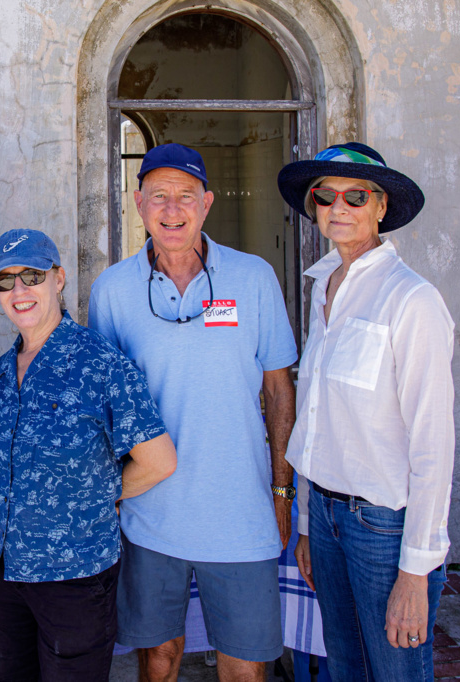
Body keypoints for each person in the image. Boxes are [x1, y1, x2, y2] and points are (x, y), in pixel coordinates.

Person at [88, 143, 299, 682]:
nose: (172, 209)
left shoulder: (254, 278)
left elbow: (279, 393)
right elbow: (104, 410)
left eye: (185, 196)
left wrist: (281, 491)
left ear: (207, 203)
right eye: (159, 196)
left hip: (242, 513)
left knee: (247, 666)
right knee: (158, 659)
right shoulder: (112, 290)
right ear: (138, 204)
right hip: (149, 516)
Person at [278, 143, 453, 681]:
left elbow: (433, 442)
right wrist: (307, 523)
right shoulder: (323, 287)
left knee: (396, 671)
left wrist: (415, 571)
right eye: (325, 195)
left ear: (381, 207)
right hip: (327, 522)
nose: (340, 206)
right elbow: (316, 422)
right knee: (346, 668)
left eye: (357, 195)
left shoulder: (411, 300)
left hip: (384, 527)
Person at [0, 229, 177, 681]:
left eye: (32, 275)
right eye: (5, 281)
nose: (19, 291)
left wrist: (93, 497)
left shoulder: (99, 364)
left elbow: (159, 460)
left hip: (72, 574)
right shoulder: (1, 374)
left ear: (59, 278)